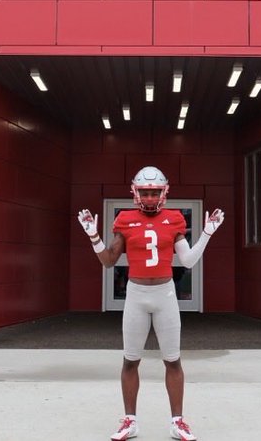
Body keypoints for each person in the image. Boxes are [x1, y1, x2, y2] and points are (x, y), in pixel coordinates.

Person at [77, 166, 224, 441]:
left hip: (165, 294)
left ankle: (177, 422)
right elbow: (109, 261)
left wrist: (206, 234)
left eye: (154, 191)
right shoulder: (125, 219)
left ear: (164, 192)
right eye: (145, 191)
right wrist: (93, 237)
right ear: (135, 192)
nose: (149, 196)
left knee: (173, 360)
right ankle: (130, 421)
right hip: (136, 294)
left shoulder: (174, 219)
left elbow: (189, 261)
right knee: (130, 361)